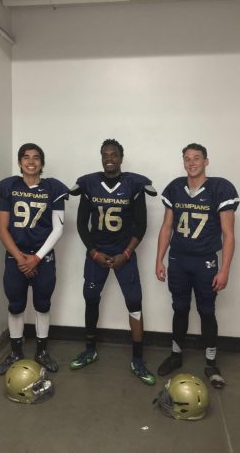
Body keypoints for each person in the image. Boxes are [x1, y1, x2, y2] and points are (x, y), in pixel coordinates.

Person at [69, 139, 157, 385]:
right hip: (97, 253)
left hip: (123, 253)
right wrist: (93, 252)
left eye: (114, 154)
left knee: (134, 303)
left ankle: (138, 359)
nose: (109, 158)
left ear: (121, 157)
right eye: (105, 154)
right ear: (101, 157)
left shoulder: (134, 184)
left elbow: (141, 225)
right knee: (91, 299)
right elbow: (81, 224)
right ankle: (90, 349)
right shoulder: (89, 184)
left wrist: (126, 253)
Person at [155, 143, 239, 388]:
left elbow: (229, 234)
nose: (191, 163)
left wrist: (224, 269)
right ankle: (176, 354)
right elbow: (167, 227)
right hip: (179, 259)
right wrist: (159, 258)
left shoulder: (220, 188)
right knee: (179, 308)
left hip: (205, 261)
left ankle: (211, 363)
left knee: (206, 310)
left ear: (206, 161)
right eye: (187, 159)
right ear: (183, 162)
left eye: (197, 158)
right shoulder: (175, 188)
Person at [0, 143, 69, 375]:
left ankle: (41, 352)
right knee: (15, 305)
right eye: (26, 157)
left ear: (42, 163)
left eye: (36, 158)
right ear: (19, 162)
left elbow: (58, 229)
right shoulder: (9, 187)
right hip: (15, 257)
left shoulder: (53, 189)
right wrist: (21, 258)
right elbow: (2, 228)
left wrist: (35, 257)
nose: (31, 161)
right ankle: (16, 351)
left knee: (42, 304)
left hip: (42, 257)